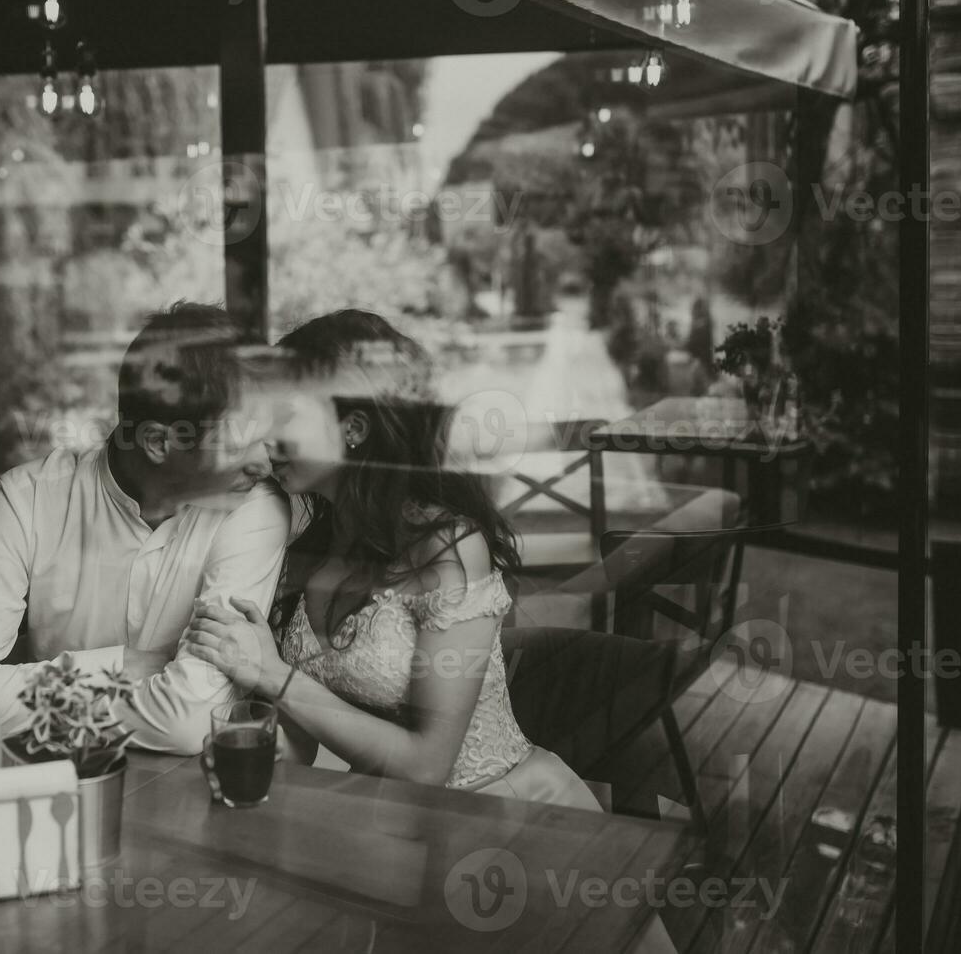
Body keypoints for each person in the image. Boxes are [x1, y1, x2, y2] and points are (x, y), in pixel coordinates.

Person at [186, 309, 676, 952]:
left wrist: (273, 677)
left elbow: (426, 764)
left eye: (285, 419)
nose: (266, 439)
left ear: (354, 428)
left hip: (493, 825)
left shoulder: (445, 547)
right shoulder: (308, 530)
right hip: (377, 830)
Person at [0, 302, 290, 752]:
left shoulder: (255, 510)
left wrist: (32, 692)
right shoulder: (27, 499)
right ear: (159, 442)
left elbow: (191, 721)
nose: (266, 462)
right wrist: (121, 666)